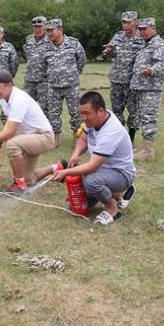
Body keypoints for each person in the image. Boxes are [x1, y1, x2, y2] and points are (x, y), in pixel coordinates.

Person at [50, 91, 136, 226]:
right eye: (81, 113)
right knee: (81, 190)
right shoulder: (93, 122)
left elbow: (93, 166)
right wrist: (76, 153)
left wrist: (65, 172)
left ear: (100, 111)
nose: (83, 118)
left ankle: (112, 207)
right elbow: (83, 138)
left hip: (121, 174)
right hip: (104, 170)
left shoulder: (111, 131)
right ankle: (115, 195)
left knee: (90, 181)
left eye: (86, 113)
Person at [0, 70, 54, 195]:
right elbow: (10, 123)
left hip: (44, 137)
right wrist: (0, 139)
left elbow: (9, 133)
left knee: (12, 144)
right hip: (29, 138)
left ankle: (19, 184)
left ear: (9, 85)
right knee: (29, 180)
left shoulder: (19, 99)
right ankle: (57, 167)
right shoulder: (3, 98)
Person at [42, 19, 86, 147]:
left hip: (71, 86)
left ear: (60, 29)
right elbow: (43, 65)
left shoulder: (73, 43)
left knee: (76, 113)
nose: (49, 33)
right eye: (47, 31)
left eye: (51, 30)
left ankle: (77, 138)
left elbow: (81, 60)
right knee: (53, 114)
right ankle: (55, 139)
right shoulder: (45, 47)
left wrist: (72, 74)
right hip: (53, 87)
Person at [129, 18, 164, 160]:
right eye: (139, 29)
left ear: (153, 28)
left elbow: (161, 65)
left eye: (144, 29)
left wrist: (151, 70)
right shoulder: (144, 44)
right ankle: (145, 148)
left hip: (150, 89)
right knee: (142, 117)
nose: (141, 32)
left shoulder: (159, 44)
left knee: (149, 118)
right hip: (140, 88)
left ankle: (148, 152)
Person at [103, 11, 144, 145]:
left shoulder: (142, 38)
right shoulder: (118, 37)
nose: (125, 25)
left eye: (128, 22)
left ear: (136, 22)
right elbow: (110, 55)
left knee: (134, 110)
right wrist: (109, 51)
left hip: (133, 82)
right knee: (116, 110)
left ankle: (131, 135)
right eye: (123, 22)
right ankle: (120, 136)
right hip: (117, 80)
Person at [23, 16, 50, 114]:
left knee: (44, 109)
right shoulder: (28, 40)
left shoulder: (51, 40)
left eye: (39, 26)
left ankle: (44, 129)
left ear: (45, 26)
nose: (37, 29)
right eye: (35, 27)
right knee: (26, 108)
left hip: (44, 81)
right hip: (29, 81)